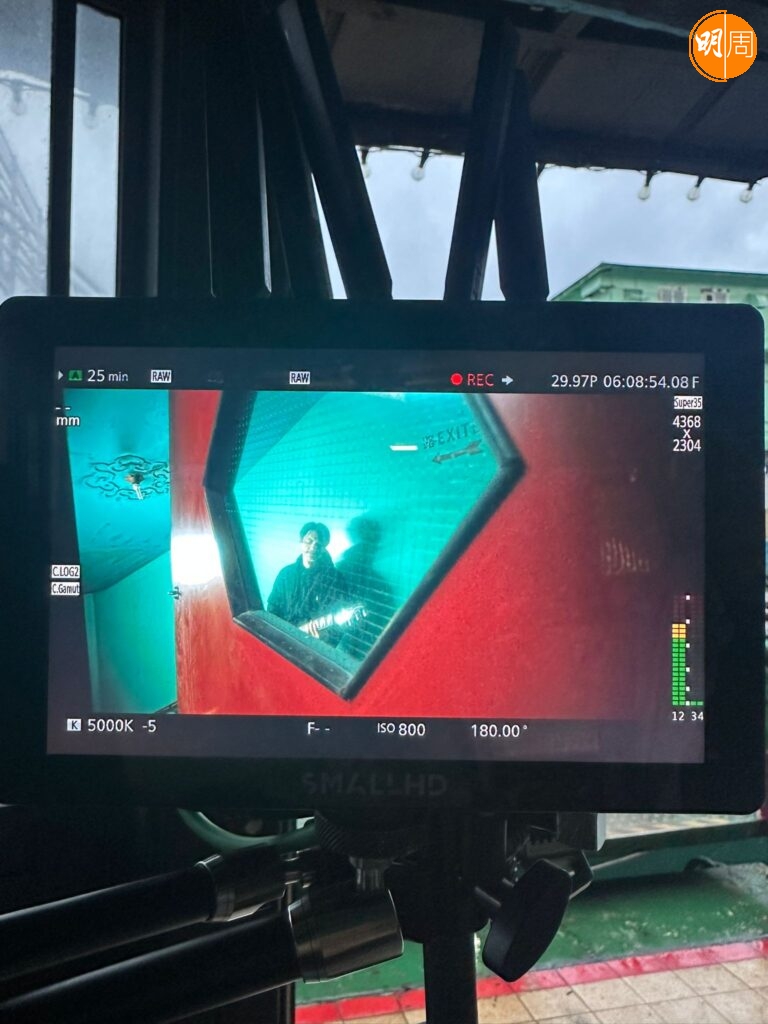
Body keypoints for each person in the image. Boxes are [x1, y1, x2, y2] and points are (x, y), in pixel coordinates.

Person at [267, 522, 350, 639]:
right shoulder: (286, 574)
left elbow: (340, 620)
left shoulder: (336, 579)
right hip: (283, 639)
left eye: (319, 544)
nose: (313, 548)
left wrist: (323, 637)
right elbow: (273, 608)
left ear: (324, 547)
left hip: (313, 644)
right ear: (301, 542)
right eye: (309, 541)